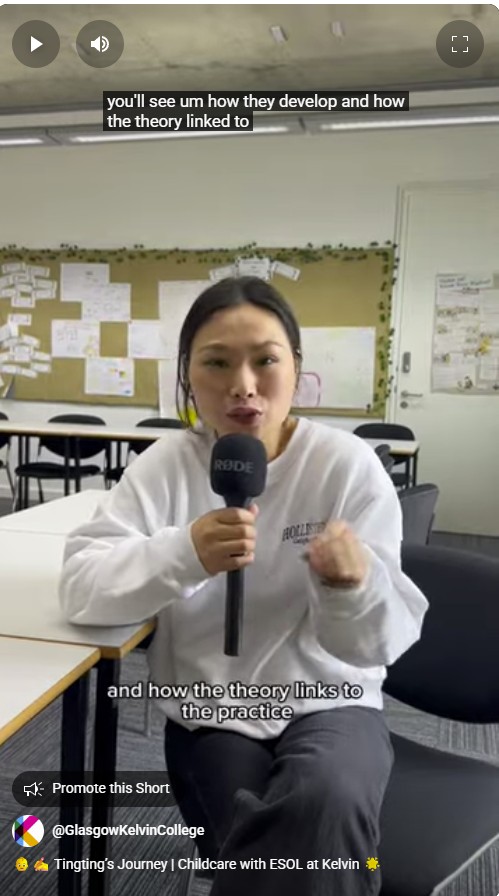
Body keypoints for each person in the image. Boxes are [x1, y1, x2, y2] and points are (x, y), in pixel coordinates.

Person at [59, 276, 428, 896]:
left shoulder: (345, 465)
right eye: (217, 363)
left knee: (324, 798)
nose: (243, 386)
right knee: (275, 833)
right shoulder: (166, 466)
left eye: (265, 360)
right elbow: (82, 589)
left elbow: (379, 645)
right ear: (187, 375)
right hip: (214, 709)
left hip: (331, 700)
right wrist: (184, 552)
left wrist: (352, 585)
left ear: (297, 368)